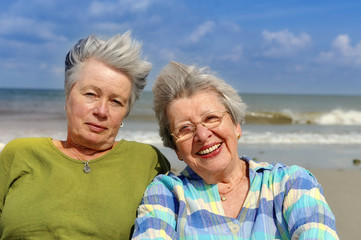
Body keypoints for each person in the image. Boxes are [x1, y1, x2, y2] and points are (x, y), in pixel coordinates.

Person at [132, 61, 338, 239]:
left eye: (211, 118)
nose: (202, 135)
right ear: (176, 148)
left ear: (236, 125)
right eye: (185, 128)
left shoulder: (290, 184)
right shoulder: (167, 194)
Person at [0, 32, 170, 239]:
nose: (101, 111)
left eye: (116, 101)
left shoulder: (148, 161)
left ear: (126, 111)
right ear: (68, 95)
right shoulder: (19, 154)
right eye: (91, 94)